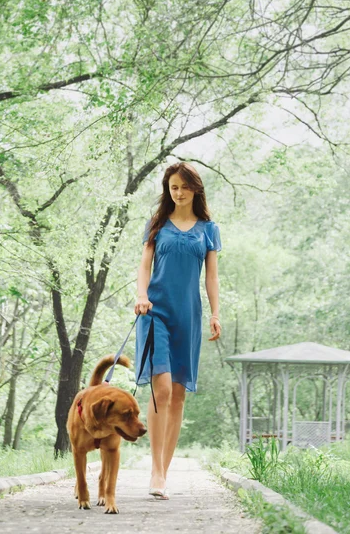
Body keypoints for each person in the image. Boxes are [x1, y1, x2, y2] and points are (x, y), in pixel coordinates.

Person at [134, 161, 221, 500]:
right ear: (167, 190)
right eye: (174, 187)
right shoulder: (157, 224)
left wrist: (216, 313)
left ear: (195, 189)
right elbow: (144, 265)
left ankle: (164, 472)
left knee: (179, 393)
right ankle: (155, 470)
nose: (179, 192)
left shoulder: (208, 229)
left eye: (184, 186)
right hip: (154, 312)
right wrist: (141, 295)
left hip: (189, 316)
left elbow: (211, 276)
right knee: (163, 389)